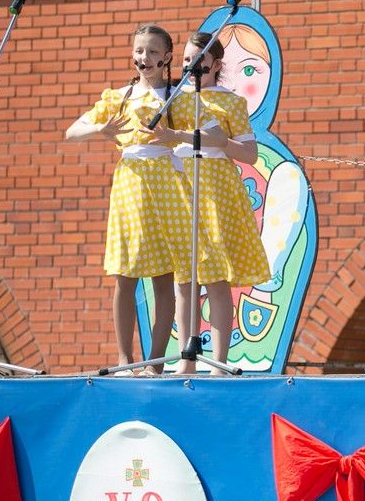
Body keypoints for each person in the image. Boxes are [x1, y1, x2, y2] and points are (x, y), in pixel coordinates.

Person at [64, 23, 224, 376]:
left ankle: (155, 362)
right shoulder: (119, 97)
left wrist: (176, 136)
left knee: (164, 276)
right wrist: (100, 129)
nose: (144, 57)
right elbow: (72, 131)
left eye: (152, 51)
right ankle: (124, 360)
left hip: (167, 185)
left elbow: (216, 135)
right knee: (125, 273)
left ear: (167, 57)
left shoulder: (179, 96)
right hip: (130, 186)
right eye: (139, 50)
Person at [168, 31, 271, 375]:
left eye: (198, 60)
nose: (190, 66)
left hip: (215, 192)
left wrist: (220, 141)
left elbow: (250, 153)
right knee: (184, 279)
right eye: (186, 60)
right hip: (180, 188)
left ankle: (219, 363)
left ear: (215, 65)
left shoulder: (230, 102)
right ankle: (185, 360)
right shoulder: (172, 100)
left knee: (215, 278)